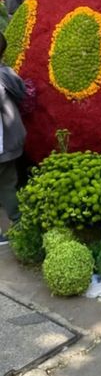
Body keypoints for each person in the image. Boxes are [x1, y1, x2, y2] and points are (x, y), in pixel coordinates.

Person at [0, 32, 26, 244]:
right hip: (11, 144)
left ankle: (14, 228)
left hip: (1, 144)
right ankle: (19, 227)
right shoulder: (8, 74)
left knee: (7, 186)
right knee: (8, 185)